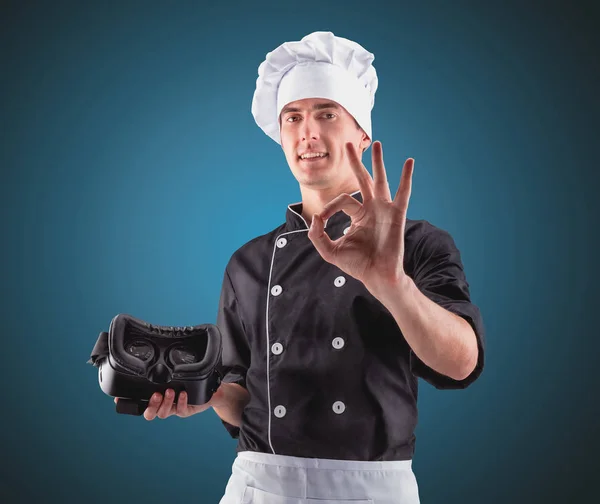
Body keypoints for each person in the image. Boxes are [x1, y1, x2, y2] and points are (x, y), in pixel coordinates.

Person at [117, 31, 486, 503]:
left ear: (362, 136)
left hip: (372, 491)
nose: (307, 132)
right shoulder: (248, 262)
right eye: (292, 118)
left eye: (326, 114)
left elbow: (461, 363)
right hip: (261, 486)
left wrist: (393, 284)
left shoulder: (416, 243)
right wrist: (203, 396)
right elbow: (246, 395)